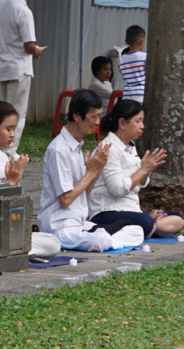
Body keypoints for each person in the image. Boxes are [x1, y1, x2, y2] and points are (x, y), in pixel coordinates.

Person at [39, 90, 130, 251]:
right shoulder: (58, 149)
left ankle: (108, 235)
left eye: (99, 116)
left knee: (135, 230)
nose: (97, 122)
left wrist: (97, 168)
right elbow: (66, 199)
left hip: (80, 223)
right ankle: (107, 235)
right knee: (99, 241)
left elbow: (83, 193)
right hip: (60, 227)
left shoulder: (77, 147)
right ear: (77, 116)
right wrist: (91, 172)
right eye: (93, 117)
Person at [87, 99, 184, 238]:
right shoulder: (109, 148)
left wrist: (146, 170)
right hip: (107, 213)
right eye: (137, 121)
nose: (142, 126)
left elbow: (139, 182)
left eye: (142, 121)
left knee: (177, 217)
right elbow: (117, 189)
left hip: (131, 210)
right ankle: (149, 226)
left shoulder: (130, 146)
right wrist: (143, 170)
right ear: (122, 123)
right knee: (145, 222)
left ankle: (149, 226)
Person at [0, 100, 58, 257]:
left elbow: (14, 205)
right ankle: (8, 249)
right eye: (8, 129)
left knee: (52, 242)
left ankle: (11, 248)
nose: (12, 134)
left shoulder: (3, 157)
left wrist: (15, 181)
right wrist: (11, 182)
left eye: (14, 129)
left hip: (8, 229)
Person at [0, 0, 42, 157]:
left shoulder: (0, 5)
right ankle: (9, 151)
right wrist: (36, 51)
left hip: (4, 65)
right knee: (17, 114)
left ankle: (0, 148)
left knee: (4, 112)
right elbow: (29, 44)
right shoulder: (23, 10)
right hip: (20, 67)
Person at [118, 25, 148, 102]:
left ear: (126, 41)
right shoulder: (144, 57)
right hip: (141, 95)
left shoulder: (122, 58)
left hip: (127, 96)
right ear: (142, 41)